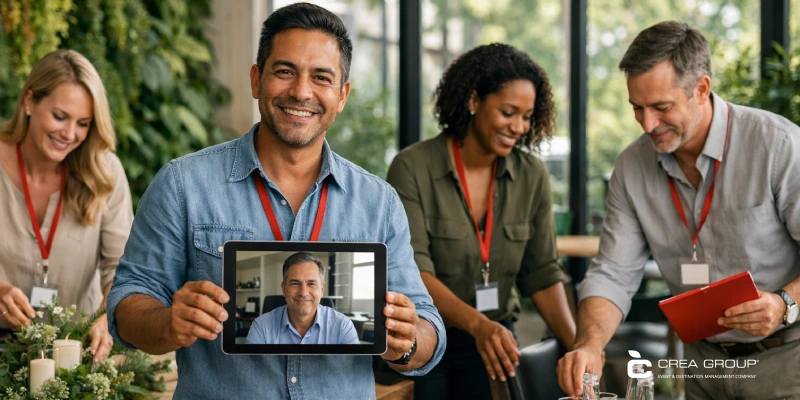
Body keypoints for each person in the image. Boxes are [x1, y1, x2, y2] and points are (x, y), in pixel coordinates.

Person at [107, 3, 446, 398]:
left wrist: (406, 342)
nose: (301, 92)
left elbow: (428, 330)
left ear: (342, 95)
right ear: (256, 80)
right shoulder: (183, 184)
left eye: (321, 77)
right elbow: (127, 301)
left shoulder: (379, 202)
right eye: (284, 71)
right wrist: (169, 323)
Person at [557, 21, 800, 399]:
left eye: (661, 107)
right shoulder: (631, 167)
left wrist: (784, 304)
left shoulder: (778, 146)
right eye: (637, 108)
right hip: (702, 364)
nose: (648, 124)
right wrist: (589, 344)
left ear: (701, 89)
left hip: (786, 361)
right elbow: (613, 274)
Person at [386, 43, 576, 399]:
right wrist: (478, 324)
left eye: (527, 116)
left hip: (496, 339)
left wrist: (581, 348)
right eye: (508, 112)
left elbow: (542, 272)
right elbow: (414, 272)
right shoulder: (412, 168)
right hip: (430, 336)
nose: (519, 126)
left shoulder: (532, 175)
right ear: (474, 101)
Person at [0, 50, 133, 362]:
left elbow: (122, 267)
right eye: (60, 117)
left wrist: (105, 317)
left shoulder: (105, 172)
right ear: (29, 101)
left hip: (78, 351)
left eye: (83, 123)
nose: (70, 134)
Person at [246, 252, 359, 345]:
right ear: (283, 288)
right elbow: (251, 370)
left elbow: (353, 371)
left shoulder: (343, 326)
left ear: (322, 289)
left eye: (311, 283)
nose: (303, 292)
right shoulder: (261, 326)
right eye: (295, 283)